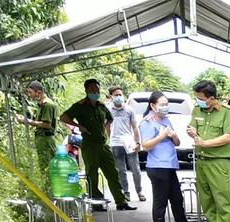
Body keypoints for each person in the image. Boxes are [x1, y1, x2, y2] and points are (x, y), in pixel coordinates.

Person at [60, 78, 135, 211]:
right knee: (92, 175)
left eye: (97, 90)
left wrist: (105, 129)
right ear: (86, 91)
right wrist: (79, 126)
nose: (95, 92)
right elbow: (64, 117)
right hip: (89, 145)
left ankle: (121, 201)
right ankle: (96, 203)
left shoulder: (101, 106)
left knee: (113, 172)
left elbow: (109, 119)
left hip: (103, 144)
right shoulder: (80, 106)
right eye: (92, 90)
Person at [138, 91, 191, 222]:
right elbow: (146, 145)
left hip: (170, 165)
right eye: (162, 105)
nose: (165, 107)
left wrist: (174, 136)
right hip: (157, 166)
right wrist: (161, 136)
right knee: (160, 202)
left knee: (177, 199)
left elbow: (177, 143)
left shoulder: (165, 119)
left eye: (167, 105)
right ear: (153, 106)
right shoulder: (147, 122)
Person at [187, 80, 230, 222]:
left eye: (201, 98)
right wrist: (191, 131)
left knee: (222, 200)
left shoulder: (227, 112)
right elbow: (191, 126)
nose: (198, 101)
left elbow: (228, 137)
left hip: (218, 162)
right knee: (206, 200)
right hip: (201, 162)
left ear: (212, 98)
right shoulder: (197, 110)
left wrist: (205, 143)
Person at [15, 80, 58, 189]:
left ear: (38, 92)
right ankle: (48, 189)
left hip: (46, 140)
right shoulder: (41, 105)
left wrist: (27, 121)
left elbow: (46, 124)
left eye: (30, 92)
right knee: (43, 166)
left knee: (48, 167)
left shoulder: (47, 105)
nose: (30, 95)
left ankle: (50, 190)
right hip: (42, 139)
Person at [106, 85, 145, 202]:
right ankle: (126, 193)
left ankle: (139, 191)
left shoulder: (129, 109)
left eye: (120, 95)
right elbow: (107, 126)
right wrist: (111, 138)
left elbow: (134, 127)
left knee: (135, 169)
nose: (119, 97)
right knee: (120, 170)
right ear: (111, 97)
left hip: (129, 142)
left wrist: (137, 142)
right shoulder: (107, 110)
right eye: (116, 95)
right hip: (116, 143)